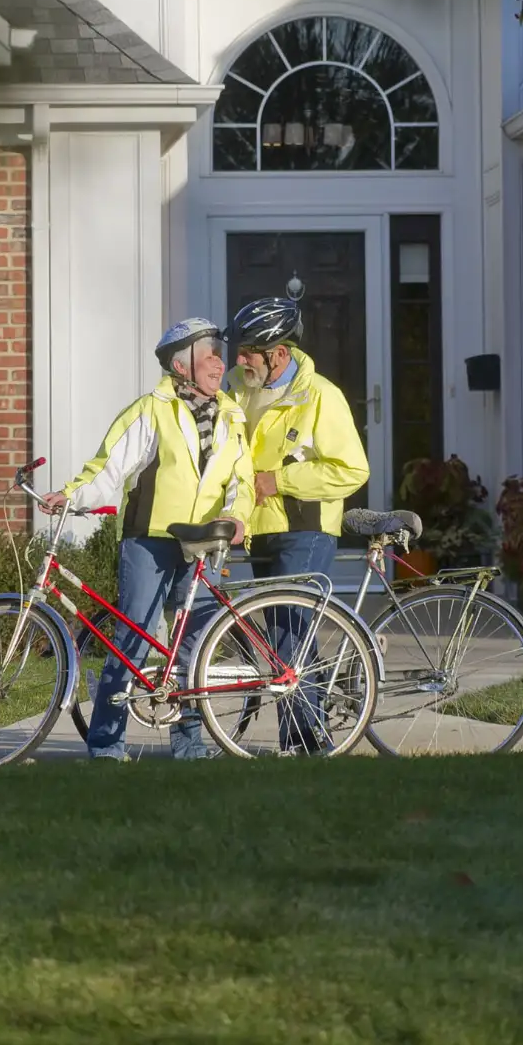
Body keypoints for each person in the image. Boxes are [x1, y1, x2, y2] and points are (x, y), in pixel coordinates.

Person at [42, 318, 252, 761]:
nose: (220, 362)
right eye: (208, 354)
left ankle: (189, 745)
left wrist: (236, 515)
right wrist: (70, 495)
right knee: (132, 639)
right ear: (181, 365)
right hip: (150, 540)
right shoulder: (150, 410)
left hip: (204, 544)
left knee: (194, 646)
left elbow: (242, 479)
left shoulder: (232, 415)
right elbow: (108, 467)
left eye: (218, 353)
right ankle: (106, 745)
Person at [226, 297, 370, 753]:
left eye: (249, 350)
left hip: (306, 528)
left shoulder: (322, 396)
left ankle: (305, 740)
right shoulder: (237, 386)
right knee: (283, 635)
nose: (239, 359)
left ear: (280, 355)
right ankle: (319, 701)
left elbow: (352, 470)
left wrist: (280, 479)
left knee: (289, 631)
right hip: (256, 527)